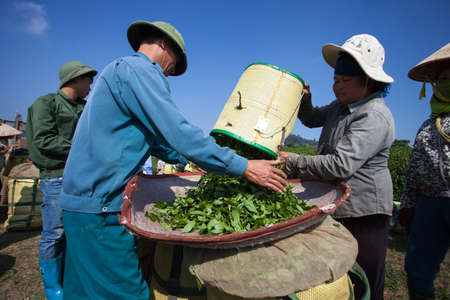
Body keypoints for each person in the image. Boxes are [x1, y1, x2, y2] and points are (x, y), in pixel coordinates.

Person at [59, 20, 287, 299]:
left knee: (81, 290)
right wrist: (245, 166)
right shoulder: (140, 70)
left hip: (81, 201)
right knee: (126, 292)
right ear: (165, 45)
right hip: (99, 206)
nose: (168, 74)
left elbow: (156, 140)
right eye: (173, 66)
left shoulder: (119, 71)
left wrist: (190, 158)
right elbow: (178, 131)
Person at [279, 34, 395, 300]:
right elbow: (310, 119)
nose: (337, 86)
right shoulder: (340, 107)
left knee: (364, 276)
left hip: (365, 212)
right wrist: (304, 100)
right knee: (339, 276)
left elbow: (341, 165)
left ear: (367, 81)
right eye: (335, 80)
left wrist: (291, 160)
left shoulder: (373, 115)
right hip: (338, 205)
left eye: (345, 81)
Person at [26, 61, 97, 300]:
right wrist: (83, 148)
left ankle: (70, 276)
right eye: (88, 79)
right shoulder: (46, 104)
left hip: (82, 177)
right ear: (75, 79)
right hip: (56, 177)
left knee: (76, 230)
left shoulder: (86, 108)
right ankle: (52, 285)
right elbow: (43, 141)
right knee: (54, 231)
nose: (90, 85)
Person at [398, 43, 450, 300]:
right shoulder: (428, 126)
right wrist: (408, 204)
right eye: (442, 79)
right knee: (418, 268)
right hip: (429, 203)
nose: (445, 83)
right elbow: (412, 170)